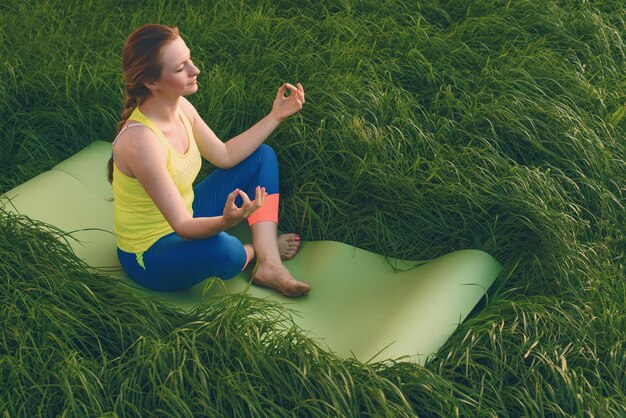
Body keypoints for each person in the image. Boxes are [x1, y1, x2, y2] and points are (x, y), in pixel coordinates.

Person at [106, 24, 310, 297]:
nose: (195, 70)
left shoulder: (182, 108)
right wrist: (226, 221)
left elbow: (225, 155)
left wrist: (275, 116)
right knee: (227, 250)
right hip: (150, 256)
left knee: (261, 157)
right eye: (181, 68)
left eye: (189, 59)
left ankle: (270, 263)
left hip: (186, 213)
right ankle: (256, 251)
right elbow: (182, 227)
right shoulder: (141, 142)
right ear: (152, 82)